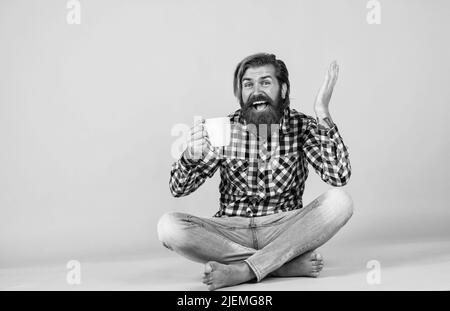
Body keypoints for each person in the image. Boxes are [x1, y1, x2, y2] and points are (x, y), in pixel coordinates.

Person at [158, 53, 353, 290]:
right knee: (168, 227)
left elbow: (338, 175)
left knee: (340, 201)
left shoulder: (303, 126)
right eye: (248, 84)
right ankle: (280, 265)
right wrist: (190, 156)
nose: (256, 91)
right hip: (232, 230)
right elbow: (178, 189)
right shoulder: (224, 129)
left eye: (265, 82)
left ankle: (243, 270)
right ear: (240, 94)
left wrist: (322, 110)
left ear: (283, 90)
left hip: (284, 227)